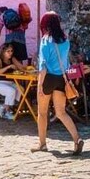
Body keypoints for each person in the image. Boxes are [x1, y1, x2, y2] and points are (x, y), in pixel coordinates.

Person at [32, 11, 83, 156]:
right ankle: (76, 138)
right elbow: (65, 62)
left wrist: (40, 84)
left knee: (42, 113)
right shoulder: (65, 40)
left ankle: (42, 144)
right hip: (61, 78)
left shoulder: (45, 40)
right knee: (61, 112)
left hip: (48, 78)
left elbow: (42, 64)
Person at [0, 42, 25, 119]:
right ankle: (6, 112)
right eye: (8, 51)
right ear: (3, 52)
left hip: (10, 82)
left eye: (11, 51)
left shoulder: (12, 59)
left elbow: (21, 67)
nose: (10, 53)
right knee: (11, 91)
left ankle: (4, 106)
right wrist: (8, 67)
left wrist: (21, 67)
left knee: (21, 89)